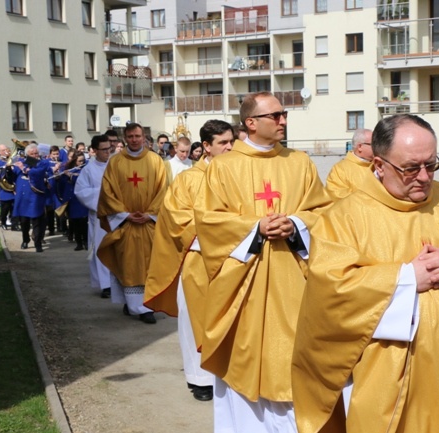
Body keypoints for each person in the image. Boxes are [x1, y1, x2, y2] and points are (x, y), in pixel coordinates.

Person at [291, 114, 439, 433]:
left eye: (432, 164)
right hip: (392, 377)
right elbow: (330, 289)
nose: (424, 176)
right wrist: (407, 278)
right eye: (411, 167)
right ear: (379, 164)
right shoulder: (344, 217)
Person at [193, 92, 332, 432]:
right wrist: (255, 227)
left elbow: (324, 212)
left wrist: (296, 224)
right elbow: (209, 222)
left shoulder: (299, 162)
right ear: (251, 123)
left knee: (292, 358)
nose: (283, 120)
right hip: (245, 284)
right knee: (246, 357)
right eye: (276, 116)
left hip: (294, 282)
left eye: (284, 115)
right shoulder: (224, 167)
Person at [145, 120, 234, 402]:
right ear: (206, 147)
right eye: (223, 143)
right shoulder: (188, 180)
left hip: (237, 258)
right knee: (194, 318)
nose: (230, 147)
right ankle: (200, 378)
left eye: (232, 141)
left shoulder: (241, 177)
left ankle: (230, 372)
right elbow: (175, 219)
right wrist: (220, 235)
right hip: (197, 259)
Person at [97, 122, 167, 324]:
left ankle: (146, 307)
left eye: (138, 136)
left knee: (148, 265)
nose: (134, 140)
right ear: (125, 138)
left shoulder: (155, 160)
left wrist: (151, 214)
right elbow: (107, 191)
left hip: (149, 224)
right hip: (126, 224)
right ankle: (133, 304)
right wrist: (124, 215)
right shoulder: (115, 162)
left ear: (144, 137)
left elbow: (163, 190)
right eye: (130, 136)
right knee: (127, 265)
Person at [75, 134, 112, 299]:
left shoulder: (116, 166)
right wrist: (105, 196)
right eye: (103, 150)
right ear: (95, 150)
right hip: (99, 216)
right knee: (101, 248)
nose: (107, 153)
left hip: (119, 215)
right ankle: (105, 285)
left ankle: (119, 280)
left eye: (109, 149)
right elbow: (81, 192)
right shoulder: (88, 170)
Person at [13, 143, 56, 252]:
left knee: (38, 221)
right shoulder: (21, 162)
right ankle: (25, 239)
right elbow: (12, 176)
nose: (35, 155)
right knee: (24, 222)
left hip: (36, 195)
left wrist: (25, 169)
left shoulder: (42, 163)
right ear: (27, 154)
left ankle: (38, 243)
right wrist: (9, 169)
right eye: (32, 153)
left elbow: (40, 172)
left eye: (36, 153)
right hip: (23, 197)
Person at [325, 128, 373, 201]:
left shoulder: (380, 166)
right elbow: (336, 194)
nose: (377, 147)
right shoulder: (340, 169)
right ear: (360, 147)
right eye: (373, 144)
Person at [58, 153, 88, 251]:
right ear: (75, 161)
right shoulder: (70, 169)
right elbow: (62, 184)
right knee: (75, 223)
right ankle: (78, 243)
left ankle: (86, 242)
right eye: (79, 161)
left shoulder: (86, 170)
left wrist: (71, 176)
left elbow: (83, 181)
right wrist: (60, 176)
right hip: (72, 200)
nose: (81, 163)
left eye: (83, 161)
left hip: (81, 199)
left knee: (84, 222)